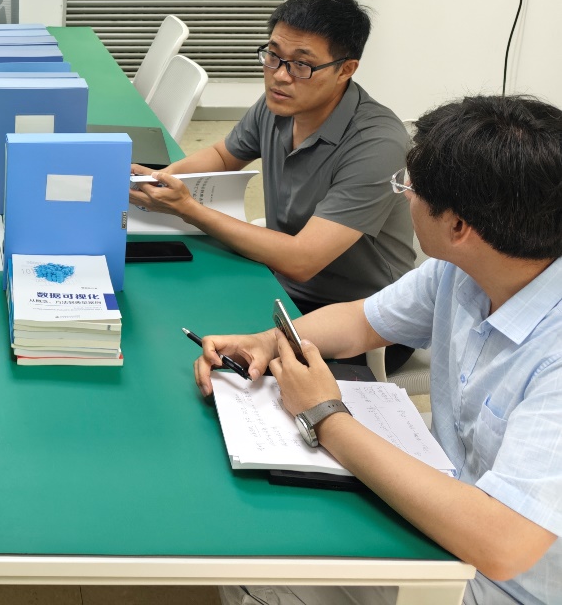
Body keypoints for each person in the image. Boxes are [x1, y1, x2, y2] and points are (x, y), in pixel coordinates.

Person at [199, 95, 562, 605]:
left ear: (459, 227)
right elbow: (360, 321)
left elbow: (504, 546)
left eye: (409, 188)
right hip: (440, 514)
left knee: (259, 564)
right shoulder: (467, 268)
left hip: (499, 585)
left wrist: (324, 415)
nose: (404, 197)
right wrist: (267, 340)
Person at [130, 0, 415, 371]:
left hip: (359, 323)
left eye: (302, 65)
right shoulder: (279, 104)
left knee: (199, 363)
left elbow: (302, 260)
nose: (280, 75)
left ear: (346, 69)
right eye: (273, 56)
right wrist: (156, 179)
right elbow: (223, 155)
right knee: (163, 315)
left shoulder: (377, 143)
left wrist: (188, 209)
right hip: (281, 288)